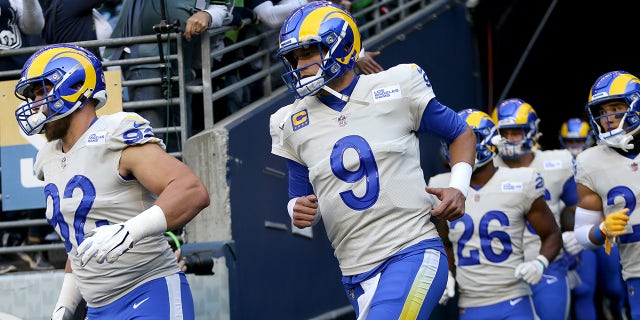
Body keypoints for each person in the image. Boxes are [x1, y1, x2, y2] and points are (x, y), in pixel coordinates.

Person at [268, 2, 477, 318]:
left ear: (341, 45)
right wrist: (295, 209)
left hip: (412, 248)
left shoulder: (397, 86)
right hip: (355, 272)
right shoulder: (289, 121)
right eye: (295, 57)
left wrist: (458, 186)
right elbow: (299, 196)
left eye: (309, 52)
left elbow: (461, 134)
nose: (300, 64)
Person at [13, 44, 210, 319]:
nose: (35, 107)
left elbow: (192, 191)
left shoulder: (114, 134)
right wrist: (64, 307)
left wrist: (130, 231)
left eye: (40, 92)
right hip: (97, 308)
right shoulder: (47, 158)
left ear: (74, 85)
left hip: (149, 292)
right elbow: (80, 245)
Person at [429, 109, 561, 319]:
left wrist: (540, 262)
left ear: (490, 141)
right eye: (453, 141)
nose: (460, 146)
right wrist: (447, 274)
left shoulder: (522, 180)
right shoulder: (440, 185)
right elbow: (444, 241)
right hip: (470, 303)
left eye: (470, 139)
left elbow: (552, 234)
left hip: (515, 297)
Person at [491, 98, 577, 320]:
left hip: (546, 263)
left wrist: (580, 234)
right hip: (501, 272)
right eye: (504, 133)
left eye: (516, 132)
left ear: (531, 131)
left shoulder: (558, 163)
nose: (510, 140)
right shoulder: (486, 168)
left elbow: (581, 208)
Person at [573, 70, 640, 320]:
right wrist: (602, 230)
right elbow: (582, 235)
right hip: (637, 272)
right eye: (601, 112)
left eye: (615, 107)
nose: (608, 118)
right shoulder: (590, 161)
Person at [557, 117, 628, 320]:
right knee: (584, 289)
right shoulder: (557, 169)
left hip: (608, 232)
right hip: (577, 238)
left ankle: (618, 310)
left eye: (579, 141)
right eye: (570, 142)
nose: (575, 147)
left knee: (614, 288)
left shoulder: (603, 161)